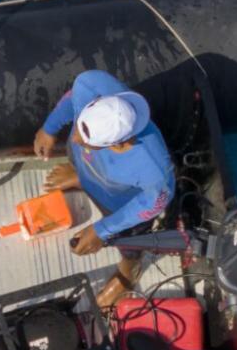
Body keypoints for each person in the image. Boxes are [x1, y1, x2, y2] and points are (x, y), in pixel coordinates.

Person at [29, 69, 176, 288]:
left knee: (128, 240)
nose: (76, 137)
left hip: (116, 202)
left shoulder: (152, 169)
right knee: (77, 155)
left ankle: (130, 270)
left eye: (88, 139)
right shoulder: (92, 84)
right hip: (88, 166)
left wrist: (102, 230)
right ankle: (82, 178)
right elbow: (74, 96)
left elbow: (157, 201)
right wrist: (49, 128)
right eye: (80, 124)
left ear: (117, 144)